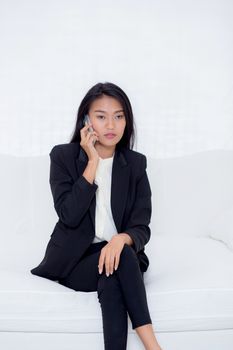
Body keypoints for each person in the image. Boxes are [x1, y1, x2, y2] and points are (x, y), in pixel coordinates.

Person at [30, 82, 162, 350]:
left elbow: (141, 226)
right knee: (122, 258)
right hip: (75, 262)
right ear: (86, 121)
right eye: (101, 116)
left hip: (117, 258)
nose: (111, 125)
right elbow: (69, 215)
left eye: (119, 116)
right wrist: (91, 163)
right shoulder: (63, 157)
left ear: (127, 120)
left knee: (115, 273)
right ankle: (154, 347)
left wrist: (120, 239)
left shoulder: (135, 164)